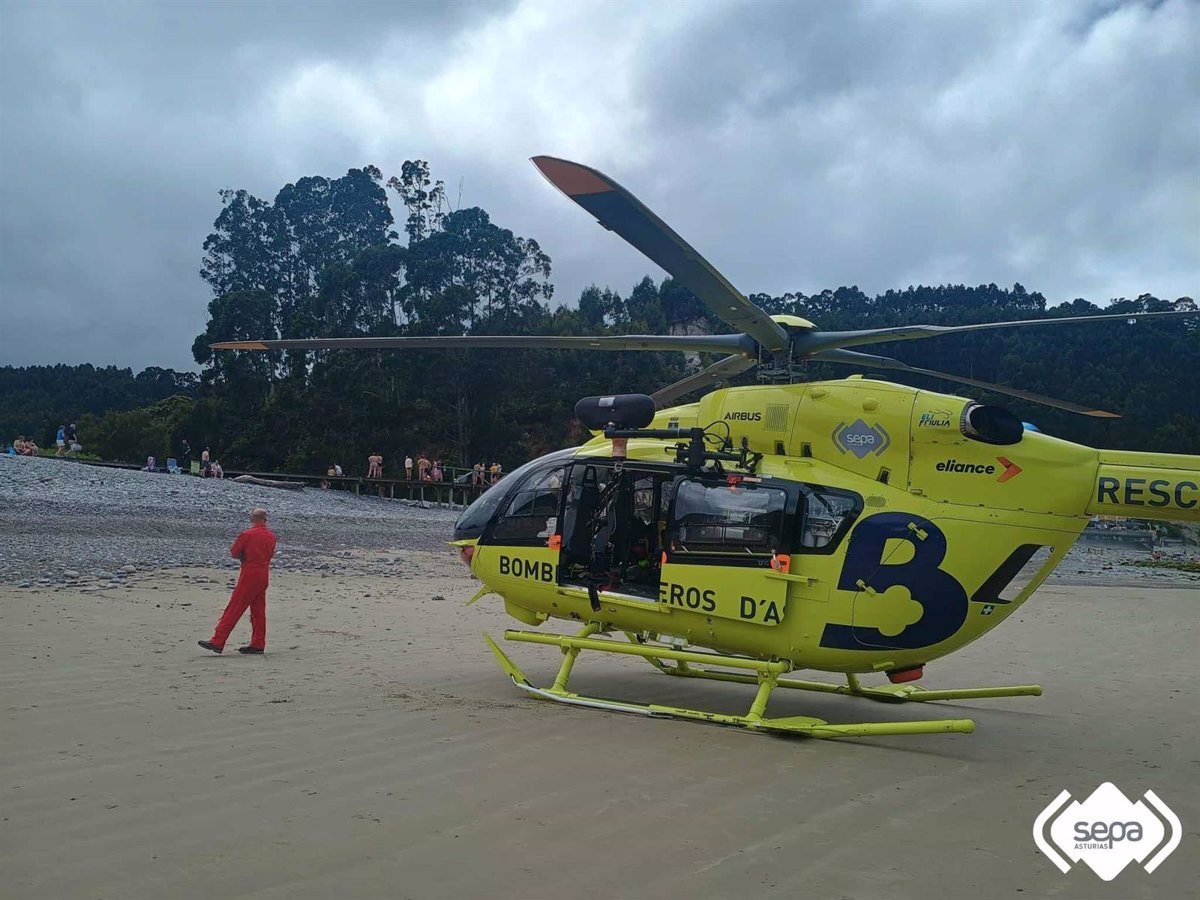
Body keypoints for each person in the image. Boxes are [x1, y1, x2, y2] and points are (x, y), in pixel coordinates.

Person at [199, 508, 277, 654]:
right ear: (265, 520)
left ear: (252, 519)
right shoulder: (271, 536)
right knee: (258, 610)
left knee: (235, 607)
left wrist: (244, 555)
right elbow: (270, 554)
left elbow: (234, 552)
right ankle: (258, 643)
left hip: (249, 574)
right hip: (263, 574)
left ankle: (218, 641)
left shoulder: (247, 534)